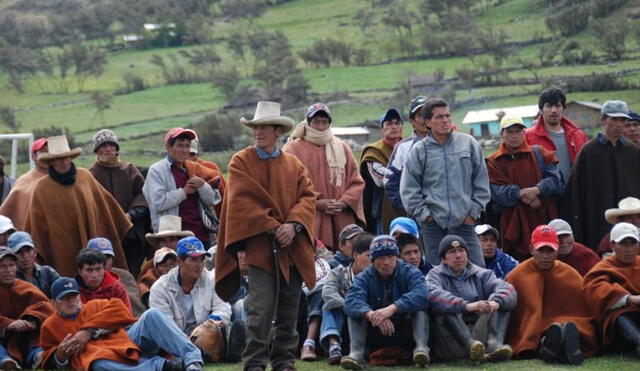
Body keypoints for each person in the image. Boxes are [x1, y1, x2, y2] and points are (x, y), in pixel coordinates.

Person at [215, 101, 317, 371]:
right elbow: (243, 201)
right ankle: (254, 363)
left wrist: (293, 225)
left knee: (289, 309)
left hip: (291, 247)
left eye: (264, 128)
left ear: (277, 131)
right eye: (256, 127)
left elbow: (307, 198)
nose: (258, 132)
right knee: (260, 310)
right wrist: (274, 227)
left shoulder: (294, 164)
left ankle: (284, 361)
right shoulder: (240, 161)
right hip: (260, 250)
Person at [39, 277, 204, 371]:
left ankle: (193, 361)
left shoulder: (94, 306)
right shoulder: (50, 325)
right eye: (64, 298)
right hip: (101, 358)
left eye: (73, 296)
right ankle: (163, 367)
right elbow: (49, 360)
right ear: (54, 303)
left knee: (153, 314)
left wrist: (88, 331)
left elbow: (120, 309)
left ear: (79, 297)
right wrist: (60, 355)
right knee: (97, 364)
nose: (70, 301)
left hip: (125, 341)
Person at [25, 135, 132, 276]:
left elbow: (106, 209)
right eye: (58, 159)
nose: (62, 162)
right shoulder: (42, 188)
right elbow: (36, 227)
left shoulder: (85, 177)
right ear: (51, 162)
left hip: (92, 239)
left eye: (65, 158)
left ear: (71, 158)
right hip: (61, 249)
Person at [401, 98, 490, 267]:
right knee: (438, 275)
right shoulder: (419, 151)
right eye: (439, 117)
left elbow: (481, 181)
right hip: (433, 227)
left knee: (478, 270)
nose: (445, 120)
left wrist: (472, 213)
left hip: (465, 223)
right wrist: (426, 216)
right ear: (428, 122)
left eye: (447, 115)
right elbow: (409, 189)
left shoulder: (468, 144)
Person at [505, 225, 596, 364]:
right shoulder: (517, 275)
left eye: (550, 251)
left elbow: (584, 308)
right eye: (541, 250)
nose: (546, 256)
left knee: (573, 326)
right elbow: (514, 317)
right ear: (531, 249)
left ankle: (557, 346)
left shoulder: (570, 274)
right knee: (547, 332)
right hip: (534, 330)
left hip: (569, 323)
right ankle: (559, 347)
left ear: (557, 250)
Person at [284, 103, 365, 250]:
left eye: (324, 122)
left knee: (346, 258)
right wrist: (317, 202)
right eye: (316, 122)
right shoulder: (292, 149)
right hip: (310, 218)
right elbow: (288, 186)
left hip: (341, 217)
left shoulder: (342, 147)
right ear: (308, 123)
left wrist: (343, 202)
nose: (320, 126)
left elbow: (356, 182)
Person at [562, 100, 640, 250]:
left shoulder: (633, 152)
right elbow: (576, 193)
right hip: (596, 220)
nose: (619, 124)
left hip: (631, 222)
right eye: (614, 119)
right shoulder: (589, 152)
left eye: (622, 120)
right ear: (604, 119)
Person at [342, 235, 430, 369]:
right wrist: (372, 315)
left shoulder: (410, 271)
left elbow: (423, 294)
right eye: (381, 258)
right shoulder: (364, 276)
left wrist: (392, 308)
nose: (386, 262)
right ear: (373, 260)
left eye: (390, 257)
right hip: (376, 330)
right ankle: (356, 353)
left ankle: (421, 349)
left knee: (420, 309)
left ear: (397, 257)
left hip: (405, 329)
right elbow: (351, 301)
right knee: (355, 313)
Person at [427, 235, 516, 363]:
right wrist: (467, 306)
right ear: (443, 259)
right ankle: (471, 345)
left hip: (479, 334)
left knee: (501, 300)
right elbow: (434, 296)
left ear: (467, 255)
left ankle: (494, 344)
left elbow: (508, 290)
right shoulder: (434, 275)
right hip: (452, 339)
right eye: (452, 252)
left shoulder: (483, 273)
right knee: (445, 306)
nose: (458, 256)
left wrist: (495, 303)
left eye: (461, 251)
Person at [487, 115, 565, 261]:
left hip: (542, 216)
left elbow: (555, 180)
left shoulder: (540, 153)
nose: (514, 136)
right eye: (509, 132)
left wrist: (537, 190)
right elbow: (496, 192)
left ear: (524, 133)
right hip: (512, 222)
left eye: (518, 131)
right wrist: (521, 194)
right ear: (501, 134)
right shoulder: (494, 161)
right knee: (516, 262)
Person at [143, 127, 224, 247]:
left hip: (201, 234)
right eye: (180, 145)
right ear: (168, 147)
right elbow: (158, 203)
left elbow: (212, 200)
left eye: (187, 146)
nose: (185, 150)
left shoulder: (194, 169)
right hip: (173, 238)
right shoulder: (157, 171)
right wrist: (184, 192)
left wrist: (202, 186)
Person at [89, 129, 150, 278]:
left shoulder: (129, 170)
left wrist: (130, 215)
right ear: (97, 151)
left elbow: (144, 195)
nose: (108, 149)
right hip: (103, 234)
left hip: (132, 234)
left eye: (112, 145)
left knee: (132, 273)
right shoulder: (90, 175)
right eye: (103, 146)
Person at [583, 222, 640, 355]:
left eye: (633, 243)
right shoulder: (604, 266)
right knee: (619, 314)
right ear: (612, 245)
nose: (629, 249)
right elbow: (595, 289)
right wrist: (629, 299)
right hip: (617, 328)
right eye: (623, 244)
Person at [320, 233, 373, 365]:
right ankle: (334, 345)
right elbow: (328, 292)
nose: (373, 260)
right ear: (355, 256)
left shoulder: (376, 278)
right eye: (368, 255)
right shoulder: (338, 272)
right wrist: (351, 307)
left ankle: (363, 348)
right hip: (342, 319)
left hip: (367, 321)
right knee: (329, 306)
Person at [0, 247, 55, 370]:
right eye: (3, 267)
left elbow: (45, 307)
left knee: (37, 341)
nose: (8, 270)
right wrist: (9, 324)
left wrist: (31, 321)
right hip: (4, 337)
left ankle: (38, 356)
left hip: (28, 334)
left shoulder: (26, 287)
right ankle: (5, 361)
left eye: (11, 265)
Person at [525, 87, 588, 183]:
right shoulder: (528, 137)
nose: (554, 110)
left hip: (575, 195)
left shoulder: (578, 135)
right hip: (544, 196)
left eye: (558, 106)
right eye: (549, 106)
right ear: (541, 110)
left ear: (564, 109)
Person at [360, 108, 404, 234]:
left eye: (397, 123)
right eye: (389, 123)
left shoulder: (410, 147)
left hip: (410, 205)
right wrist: (408, 177)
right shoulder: (374, 151)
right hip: (384, 208)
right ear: (382, 128)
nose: (394, 127)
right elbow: (380, 178)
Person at [385, 96, 429, 213]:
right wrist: (409, 208)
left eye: (427, 114)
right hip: (417, 216)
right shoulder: (403, 147)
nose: (424, 119)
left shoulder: (446, 144)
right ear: (411, 120)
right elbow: (390, 182)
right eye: (420, 115)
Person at [86, 237, 146, 316]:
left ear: (112, 259)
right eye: (98, 258)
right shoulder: (83, 278)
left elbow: (137, 308)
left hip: (128, 322)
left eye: (107, 257)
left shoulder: (124, 276)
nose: (104, 262)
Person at [0, 138, 48, 230]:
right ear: (34, 156)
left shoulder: (65, 180)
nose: (47, 155)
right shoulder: (22, 183)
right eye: (43, 151)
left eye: (50, 152)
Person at [76, 248, 132, 315]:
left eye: (98, 269)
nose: (94, 275)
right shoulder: (73, 291)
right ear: (80, 271)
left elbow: (127, 317)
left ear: (104, 269)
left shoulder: (117, 289)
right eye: (89, 270)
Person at [9, 231, 60, 298]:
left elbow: (62, 294)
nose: (24, 255)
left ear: (35, 252)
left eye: (28, 250)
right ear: (12, 256)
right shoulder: (9, 278)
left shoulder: (48, 273)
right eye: (19, 252)